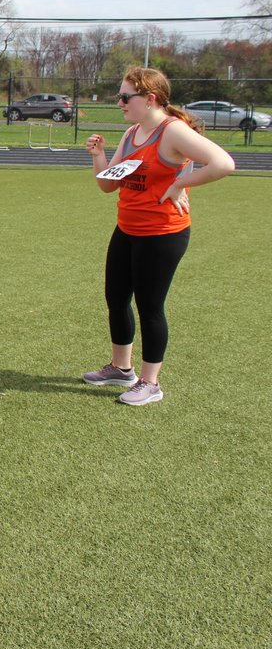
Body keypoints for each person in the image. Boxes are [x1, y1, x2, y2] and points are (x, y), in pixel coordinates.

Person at [83, 66, 234, 405]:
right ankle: (121, 369)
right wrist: (98, 157)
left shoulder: (172, 131)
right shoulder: (132, 133)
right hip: (127, 228)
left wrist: (180, 182)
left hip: (162, 233)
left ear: (150, 99)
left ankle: (151, 383)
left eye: (125, 97)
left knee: (150, 306)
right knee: (116, 298)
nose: (119, 103)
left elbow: (223, 163)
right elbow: (108, 185)